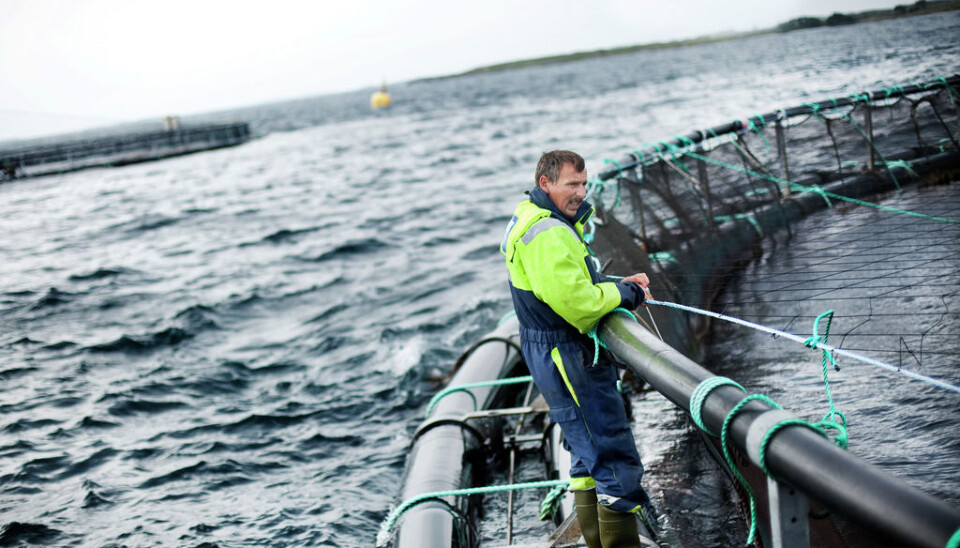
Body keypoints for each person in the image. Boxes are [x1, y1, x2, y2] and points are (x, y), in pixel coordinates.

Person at [500, 150, 657, 548]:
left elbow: (566, 277)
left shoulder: (531, 217)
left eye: (584, 184)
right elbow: (578, 304)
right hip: (567, 354)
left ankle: (592, 540)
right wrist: (626, 294)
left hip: (547, 350)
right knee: (613, 458)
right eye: (572, 184)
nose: (580, 193)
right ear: (545, 184)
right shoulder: (549, 232)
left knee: (586, 455)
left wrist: (616, 281)